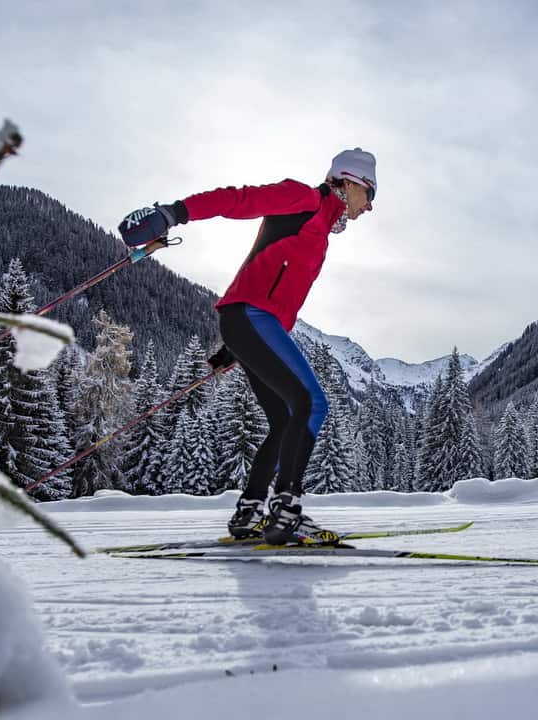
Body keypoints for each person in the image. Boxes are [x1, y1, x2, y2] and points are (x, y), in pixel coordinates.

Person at [118, 148, 377, 545]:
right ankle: (287, 510)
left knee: (285, 419)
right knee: (311, 403)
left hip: (251, 325)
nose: (370, 206)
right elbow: (238, 199)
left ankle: (250, 512)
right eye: (370, 193)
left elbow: (268, 285)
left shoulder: (320, 226)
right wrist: (175, 213)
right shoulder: (304, 199)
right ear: (349, 181)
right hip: (251, 319)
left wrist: (235, 349)